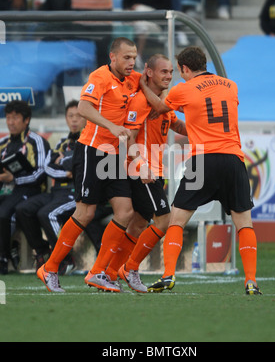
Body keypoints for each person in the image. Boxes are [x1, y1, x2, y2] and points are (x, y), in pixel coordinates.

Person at [139, 46, 262, 296]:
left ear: (184, 68)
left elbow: (159, 109)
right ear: (204, 64)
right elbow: (208, 109)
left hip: (203, 161)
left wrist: (142, 86)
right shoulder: (231, 85)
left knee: (177, 220)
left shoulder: (182, 89)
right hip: (233, 159)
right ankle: (251, 282)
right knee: (244, 224)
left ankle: (168, 275)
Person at [37, 37, 141, 293]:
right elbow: (83, 107)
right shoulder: (100, 76)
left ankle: (98, 272)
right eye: (127, 57)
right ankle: (49, 268)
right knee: (85, 213)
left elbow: (148, 82)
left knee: (126, 212)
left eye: (134, 57)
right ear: (113, 57)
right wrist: (113, 126)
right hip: (91, 151)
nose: (132, 62)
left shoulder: (132, 78)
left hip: (113, 155)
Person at [104, 54, 187, 292]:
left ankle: (111, 272)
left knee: (139, 224)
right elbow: (128, 136)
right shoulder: (140, 102)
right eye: (164, 72)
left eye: (171, 72)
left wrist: (199, 124)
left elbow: (176, 124)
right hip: (143, 170)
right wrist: (140, 165)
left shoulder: (161, 100)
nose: (169, 76)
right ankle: (129, 268)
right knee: (163, 220)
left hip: (155, 170)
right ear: (149, 72)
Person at [15, 100, 85, 273]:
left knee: (47, 213)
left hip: (75, 193)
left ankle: (66, 258)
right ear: (66, 119)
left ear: (85, 118)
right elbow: (47, 167)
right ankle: (42, 250)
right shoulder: (61, 143)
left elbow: (80, 167)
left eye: (78, 116)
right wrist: (66, 171)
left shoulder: (88, 141)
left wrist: (64, 161)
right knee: (23, 209)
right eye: (70, 116)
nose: (74, 120)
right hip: (56, 191)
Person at [0, 100, 50, 274]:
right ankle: (10, 250)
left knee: (4, 213)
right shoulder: (3, 143)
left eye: (15, 118)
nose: (10, 122)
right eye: (7, 118)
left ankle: (3, 258)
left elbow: (42, 173)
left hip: (30, 190)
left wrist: (14, 179)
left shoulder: (37, 141)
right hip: (6, 189)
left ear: (26, 119)